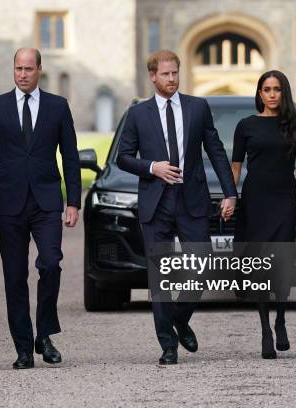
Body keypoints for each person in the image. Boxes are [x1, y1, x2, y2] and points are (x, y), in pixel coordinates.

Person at [117, 50, 237, 365]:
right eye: (166, 74)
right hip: (156, 202)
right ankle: (168, 345)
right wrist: (152, 167)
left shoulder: (198, 108)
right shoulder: (138, 114)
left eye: (175, 73)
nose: (172, 79)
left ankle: (180, 319)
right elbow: (123, 157)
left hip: (191, 199)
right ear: (153, 76)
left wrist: (230, 192)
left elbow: (216, 150)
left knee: (202, 266)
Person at [0, 48, 81, 369]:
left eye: (28, 69)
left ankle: (44, 334)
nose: (22, 74)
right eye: (18, 68)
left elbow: (71, 157)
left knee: (50, 264)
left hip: (47, 202)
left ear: (39, 70)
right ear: (13, 70)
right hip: (9, 203)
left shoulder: (58, 107)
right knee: (14, 277)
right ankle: (22, 348)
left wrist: (73, 201)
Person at [231, 70, 296, 359]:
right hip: (255, 200)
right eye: (266, 89)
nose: (271, 94)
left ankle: (280, 319)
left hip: (284, 200)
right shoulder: (246, 126)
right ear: (259, 93)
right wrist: (231, 197)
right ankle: (265, 329)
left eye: (276, 89)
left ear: (284, 92)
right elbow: (235, 167)